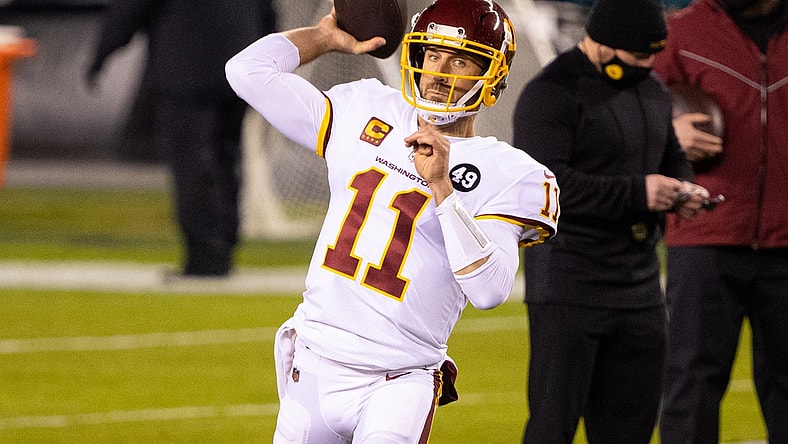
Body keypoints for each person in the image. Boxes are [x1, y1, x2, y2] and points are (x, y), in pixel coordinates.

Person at [226, 0, 559, 441]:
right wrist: (324, 38)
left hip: (399, 380)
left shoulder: (508, 172)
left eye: (459, 60)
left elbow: (490, 291)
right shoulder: (366, 108)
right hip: (316, 360)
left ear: (491, 75)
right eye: (433, 54)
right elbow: (245, 71)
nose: (439, 72)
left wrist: (443, 189)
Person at [511, 0, 713, 442]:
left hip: (639, 288)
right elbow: (547, 187)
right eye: (639, 57)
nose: (647, 65)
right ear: (603, 43)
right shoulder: (550, 93)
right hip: (569, 284)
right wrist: (638, 192)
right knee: (552, 428)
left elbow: (672, 157)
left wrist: (684, 189)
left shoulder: (653, 90)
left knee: (631, 431)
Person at [653, 0, 788, 442]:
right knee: (691, 386)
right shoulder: (683, 32)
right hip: (704, 235)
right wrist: (667, 132)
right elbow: (632, 109)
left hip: (786, 241)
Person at [86, 0, 277, 278]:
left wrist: (101, 54)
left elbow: (129, 10)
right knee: (226, 158)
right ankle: (223, 249)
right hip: (239, 74)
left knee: (193, 164)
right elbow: (268, 15)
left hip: (186, 71)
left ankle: (205, 258)